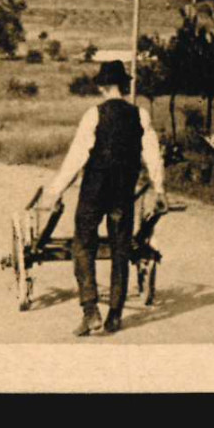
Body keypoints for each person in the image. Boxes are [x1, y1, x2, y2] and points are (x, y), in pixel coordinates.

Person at [42, 60, 167, 336]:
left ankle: (90, 311)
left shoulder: (93, 115)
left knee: (83, 244)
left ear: (102, 86)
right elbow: (153, 156)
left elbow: (77, 158)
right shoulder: (140, 115)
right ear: (123, 85)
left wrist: (55, 191)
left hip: (95, 190)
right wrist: (159, 189)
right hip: (123, 191)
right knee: (121, 249)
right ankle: (114, 316)